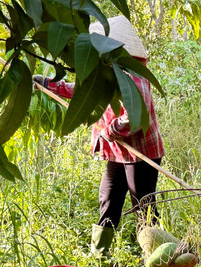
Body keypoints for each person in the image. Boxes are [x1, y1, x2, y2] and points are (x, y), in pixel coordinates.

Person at [33, 16, 165, 255]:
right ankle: (99, 255)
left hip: (140, 153)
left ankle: (157, 256)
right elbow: (83, 90)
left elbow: (135, 117)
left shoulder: (134, 74)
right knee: (109, 197)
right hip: (117, 152)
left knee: (143, 205)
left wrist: (110, 130)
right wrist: (48, 84)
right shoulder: (104, 72)